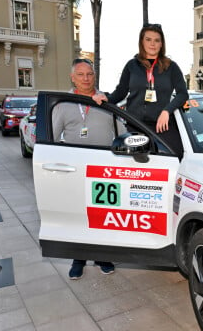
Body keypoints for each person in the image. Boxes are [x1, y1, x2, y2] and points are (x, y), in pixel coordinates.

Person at [53, 58, 116, 279]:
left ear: (94, 76)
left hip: (103, 168)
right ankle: (78, 258)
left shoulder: (106, 101)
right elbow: (50, 137)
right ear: (73, 77)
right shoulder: (63, 104)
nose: (86, 78)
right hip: (75, 169)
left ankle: (101, 256)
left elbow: (122, 131)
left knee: (102, 214)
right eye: (80, 74)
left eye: (89, 74)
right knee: (78, 214)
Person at [93, 24, 188, 155]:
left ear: (161, 44)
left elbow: (183, 94)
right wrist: (107, 98)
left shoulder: (171, 67)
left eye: (157, 40)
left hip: (163, 126)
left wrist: (167, 111)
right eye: (148, 39)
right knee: (137, 166)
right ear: (142, 42)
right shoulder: (131, 66)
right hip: (135, 124)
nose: (152, 44)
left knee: (176, 157)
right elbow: (121, 91)